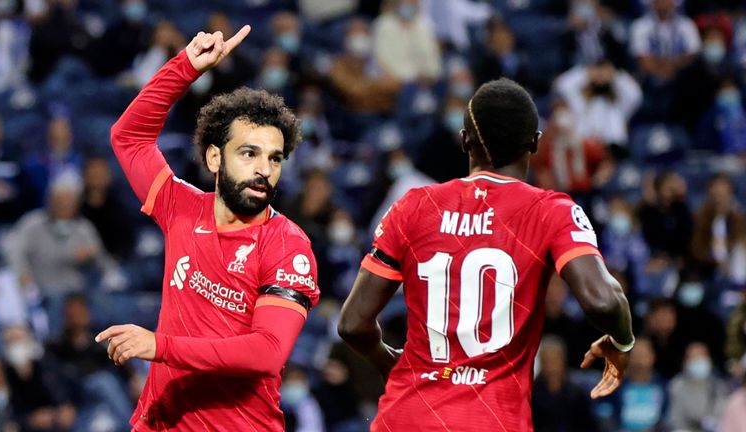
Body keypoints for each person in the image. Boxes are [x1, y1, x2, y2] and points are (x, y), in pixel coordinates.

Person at [337, 78, 634, 431]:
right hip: (491, 419)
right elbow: (603, 301)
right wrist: (622, 340)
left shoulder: (415, 206)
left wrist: (391, 363)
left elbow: (353, 323)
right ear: (535, 143)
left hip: (406, 416)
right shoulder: (550, 211)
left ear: (464, 141)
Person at [96, 26, 321, 431]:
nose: (263, 170)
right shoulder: (180, 208)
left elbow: (267, 352)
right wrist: (184, 68)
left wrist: (159, 346)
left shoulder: (289, 247)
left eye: (275, 158)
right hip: (160, 421)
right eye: (248, 153)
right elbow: (129, 138)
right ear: (214, 158)